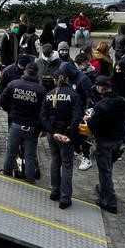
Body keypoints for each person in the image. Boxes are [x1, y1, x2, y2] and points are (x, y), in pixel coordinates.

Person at [87, 75, 125, 213]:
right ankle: (105, 189)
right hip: (118, 139)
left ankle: (109, 201)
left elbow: (92, 125)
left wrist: (89, 118)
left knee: (104, 171)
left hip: (104, 140)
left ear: (101, 88)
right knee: (109, 167)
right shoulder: (121, 101)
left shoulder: (101, 106)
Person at [40, 69, 83, 209]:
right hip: (66, 135)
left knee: (55, 160)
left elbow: (43, 116)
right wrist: (68, 133)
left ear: (54, 79)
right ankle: (65, 198)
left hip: (52, 134)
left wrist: (52, 132)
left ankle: (55, 191)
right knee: (67, 164)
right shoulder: (73, 95)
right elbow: (77, 117)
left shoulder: (49, 95)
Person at [0, 62, 46, 180]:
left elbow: (2, 102)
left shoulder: (13, 84)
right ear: (37, 74)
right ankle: (30, 178)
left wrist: (11, 111)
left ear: (25, 71)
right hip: (32, 126)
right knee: (30, 155)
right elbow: (44, 111)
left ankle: (7, 173)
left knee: (11, 152)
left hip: (16, 124)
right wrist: (42, 127)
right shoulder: (40, 90)